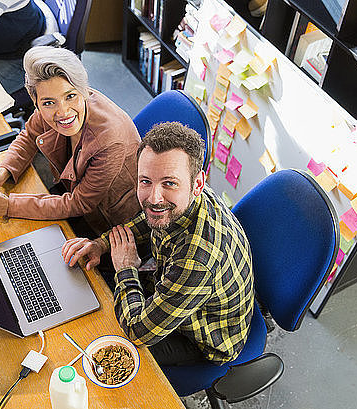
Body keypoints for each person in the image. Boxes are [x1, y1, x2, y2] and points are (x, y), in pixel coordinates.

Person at [61, 122, 255, 366]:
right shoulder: (186, 194)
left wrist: (126, 269)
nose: (153, 197)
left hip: (203, 338)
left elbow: (137, 331)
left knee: (105, 343)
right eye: (145, 181)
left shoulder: (196, 261)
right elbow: (150, 216)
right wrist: (102, 244)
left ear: (197, 184)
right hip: (180, 289)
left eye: (169, 183)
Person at [0, 46, 141, 236]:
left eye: (70, 96)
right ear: (36, 102)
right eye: (49, 103)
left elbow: (80, 203)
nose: (63, 112)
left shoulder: (109, 140)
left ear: (83, 91)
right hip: (70, 192)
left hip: (109, 225)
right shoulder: (49, 99)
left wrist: (9, 206)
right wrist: (4, 172)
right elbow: (29, 136)